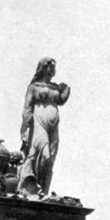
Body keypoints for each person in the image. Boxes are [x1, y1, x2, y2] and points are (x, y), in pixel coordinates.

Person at [18, 57, 70, 196]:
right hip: (39, 122)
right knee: (43, 155)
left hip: (53, 126)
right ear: (43, 67)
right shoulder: (34, 87)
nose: (53, 69)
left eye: (54, 67)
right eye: (50, 66)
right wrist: (25, 128)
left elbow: (60, 100)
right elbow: (27, 107)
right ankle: (30, 185)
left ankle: (43, 190)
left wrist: (66, 91)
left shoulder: (55, 87)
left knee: (51, 157)